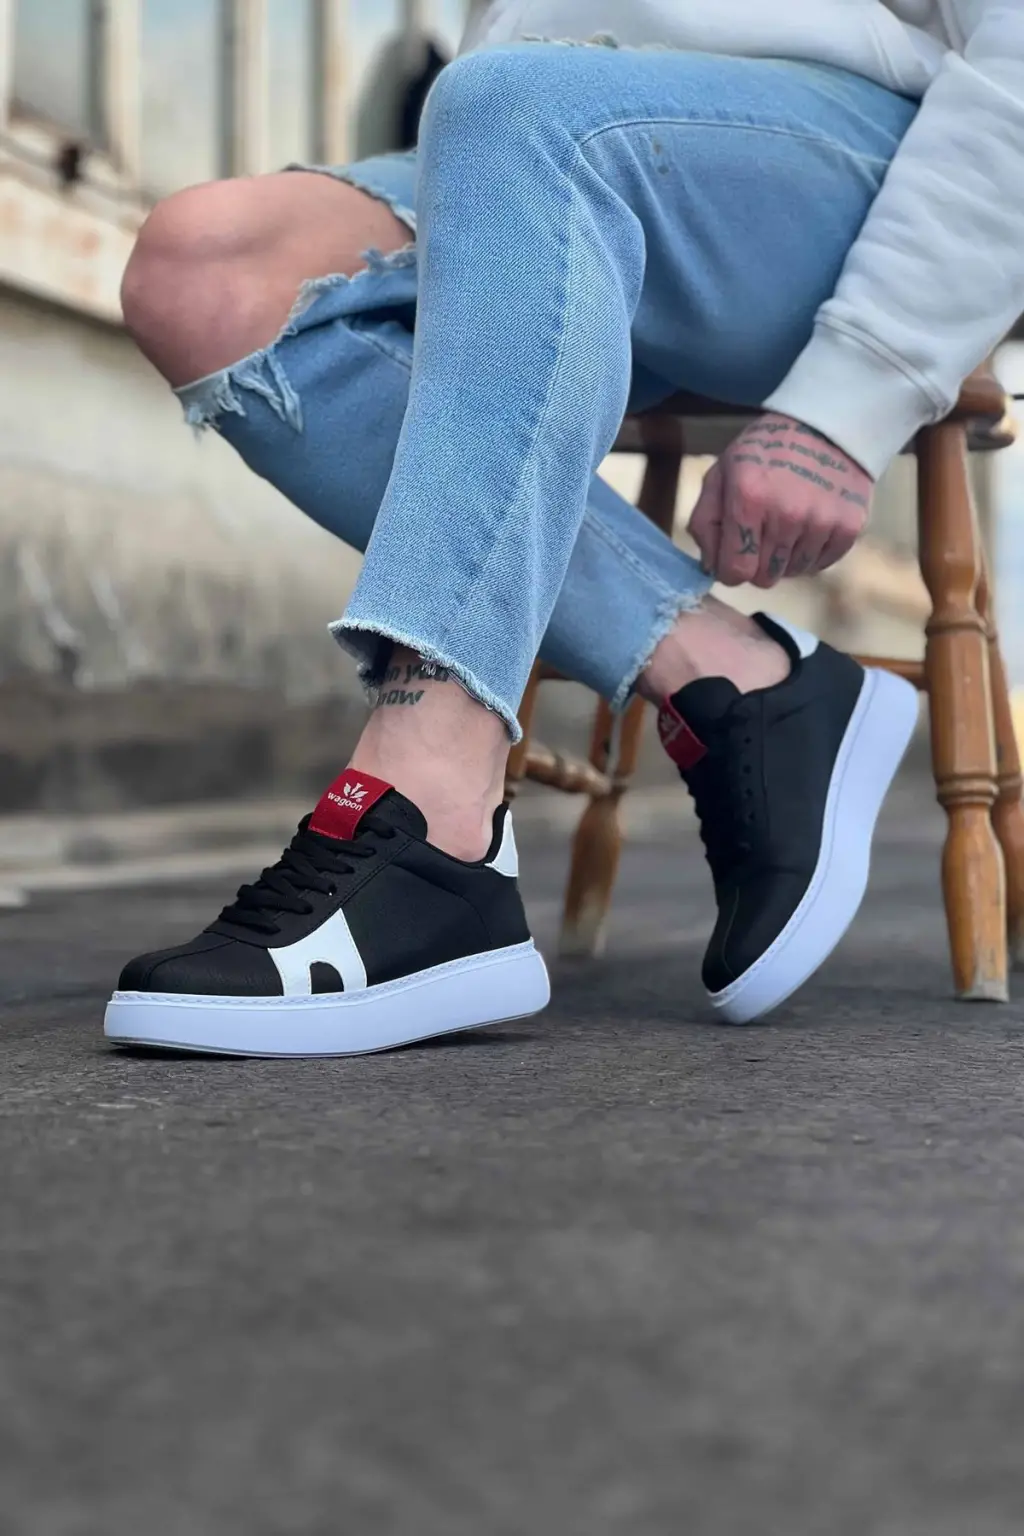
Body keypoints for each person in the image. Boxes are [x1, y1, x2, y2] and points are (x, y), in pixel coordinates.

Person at [105, 1, 1024, 1056]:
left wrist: (852, 393)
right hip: (530, 137)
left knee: (514, 106)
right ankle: (736, 675)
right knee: (204, 269)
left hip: (839, 179)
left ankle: (434, 815)